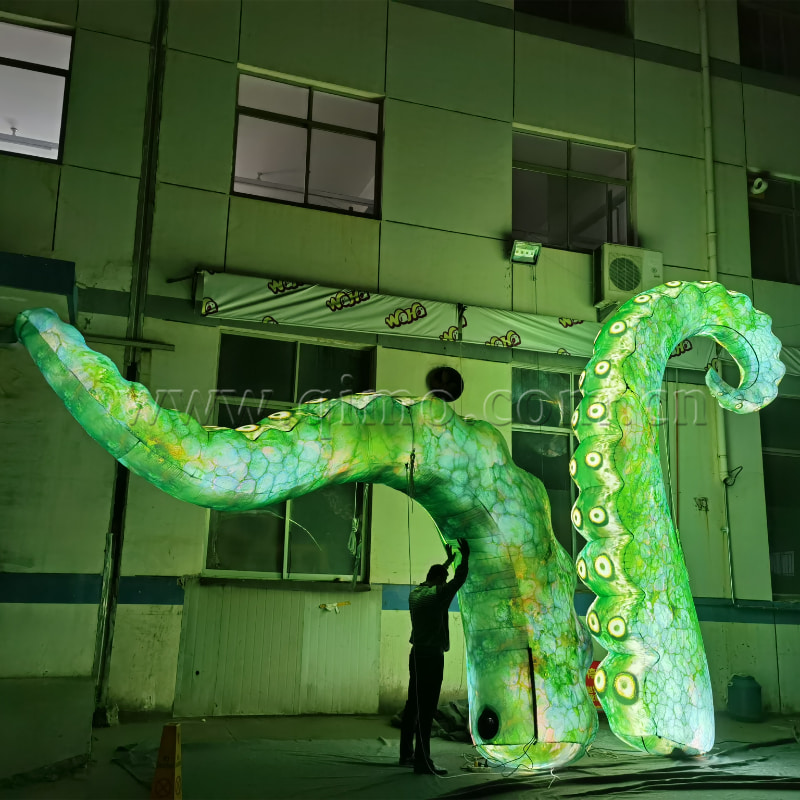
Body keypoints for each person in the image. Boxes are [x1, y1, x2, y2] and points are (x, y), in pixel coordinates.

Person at [399, 538, 470, 776]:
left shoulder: (415, 594)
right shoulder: (438, 596)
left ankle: (405, 754)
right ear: (440, 580)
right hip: (432, 658)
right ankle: (423, 761)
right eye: (444, 579)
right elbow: (458, 580)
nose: (445, 582)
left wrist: (448, 561)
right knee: (427, 710)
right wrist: (465, 558)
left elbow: (436, 577)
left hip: (416, 655)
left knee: (413, 705)